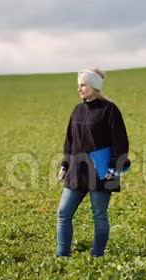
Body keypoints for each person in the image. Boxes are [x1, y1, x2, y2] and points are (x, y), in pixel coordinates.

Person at [56, 67, 131, 257]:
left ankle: (97, 255)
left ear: (94, 86)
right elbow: (70, 141)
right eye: (78, 85)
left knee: (99, 215)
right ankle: (62, 255)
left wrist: (114, 168)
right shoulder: (77, 110)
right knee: (63, 213)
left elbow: (120, 142)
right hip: (77, 169)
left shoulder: (109, 110)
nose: (79, 89)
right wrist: (65, 165)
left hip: (102, 170)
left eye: (83, 85)